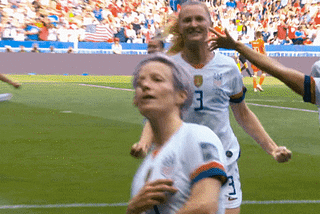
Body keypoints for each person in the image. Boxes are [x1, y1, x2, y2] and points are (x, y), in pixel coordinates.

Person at [130, 1, 292, 214]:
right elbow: (157, 112)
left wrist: (272, 148)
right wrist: (144, 142)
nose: (193, 24)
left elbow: (242, 113)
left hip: (224, 159)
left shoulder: (228, 67)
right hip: (181, 161)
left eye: (199, 19)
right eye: (187, 20)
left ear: (210, 24)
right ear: (179, 27)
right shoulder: (170, 68)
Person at [128, 53, 228, 214]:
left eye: (157, 79)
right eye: (140, 83)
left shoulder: (196, 137)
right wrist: (132, 211)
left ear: (181, 95)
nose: (145, 85)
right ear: (135, 100)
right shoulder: (146, 168)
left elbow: (206, 207)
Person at [208, 27, 320, 121]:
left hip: (255, 59)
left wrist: (238, 46)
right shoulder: (261, 42)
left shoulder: (252, 42)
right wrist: (238, 46)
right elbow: (305, 85)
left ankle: (256, 87)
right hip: (261, 59)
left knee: (255, 74)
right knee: (263, 74)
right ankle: (258, 85)